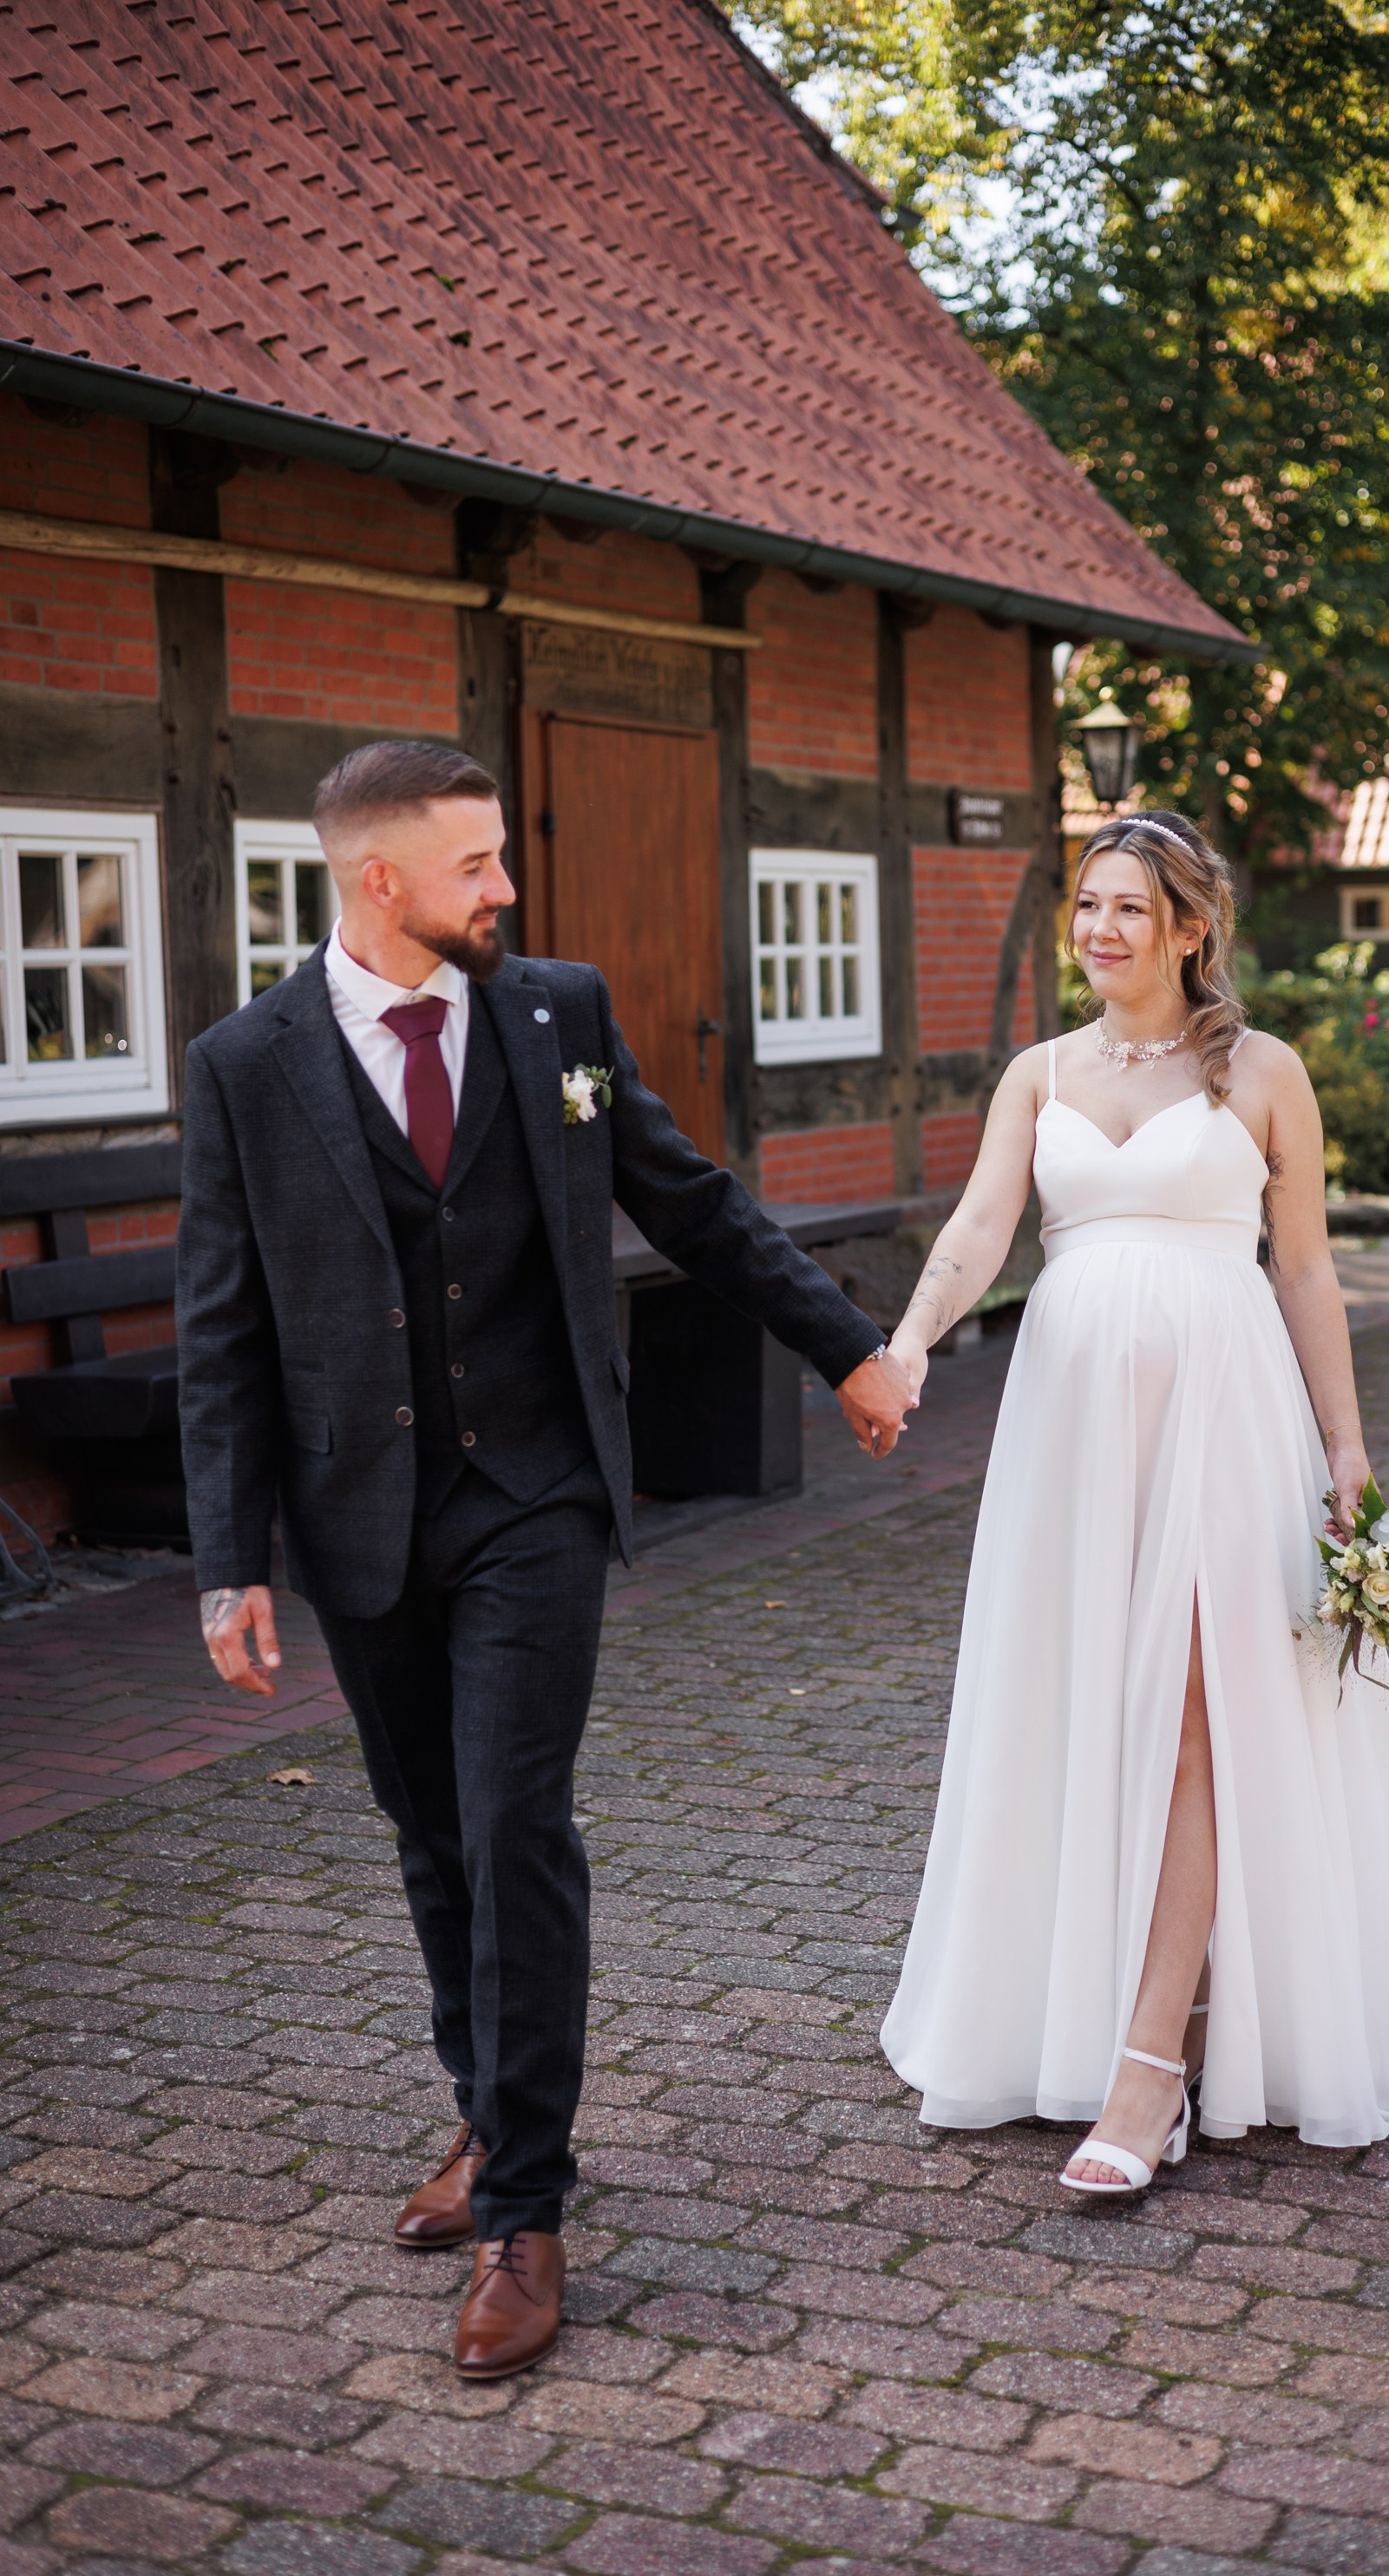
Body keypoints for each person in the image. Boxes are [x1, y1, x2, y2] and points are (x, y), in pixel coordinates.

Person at [179, 742, 914, 2374]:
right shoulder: (245, 1063)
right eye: (474, 867)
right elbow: (220, 1327)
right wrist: (225, 1559)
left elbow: (694, 1198)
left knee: (515, 1822)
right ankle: (481, 2112)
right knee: (431, 1830)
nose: (506, 890)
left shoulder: (552, 1012)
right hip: (356, 1508)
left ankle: (525, 2204)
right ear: (379, 882)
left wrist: (847, 1346)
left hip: (538, 1494)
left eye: (503, 859)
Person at [878, 812, 1389, 2193]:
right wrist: (906, 1339)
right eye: (1088, 905)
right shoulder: (1040, 1073)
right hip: (1073, 1436)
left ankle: (1150, 2075)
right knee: (1091, 1705)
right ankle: (1124, 2007)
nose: (1101, 931)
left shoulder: (1263, 1073)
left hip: (1224, 1417)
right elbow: (977, 1230)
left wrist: (1348, 1447)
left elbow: (1306, 1271)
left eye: (1133, 909)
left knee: (1202, 1709)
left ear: (1193, 928)